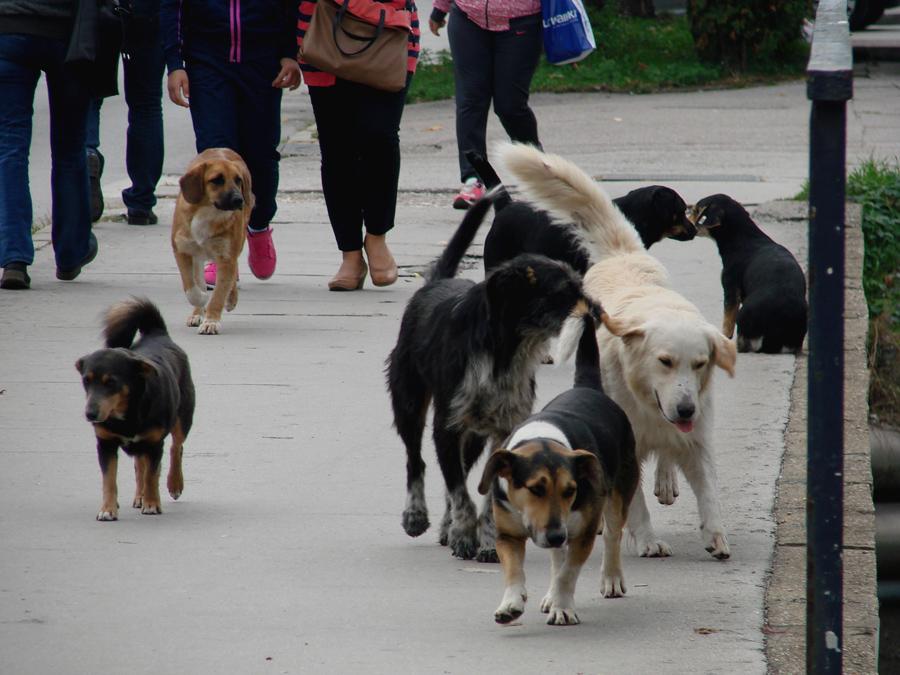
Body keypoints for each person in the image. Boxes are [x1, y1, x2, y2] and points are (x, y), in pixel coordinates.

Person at [160, 0, 301, 285]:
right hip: (207, 61)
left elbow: (292, 6)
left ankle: (258, 225)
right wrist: (175, 63)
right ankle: (219, 253)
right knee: (216, 156)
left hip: (263, 63)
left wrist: (290, 53)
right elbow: (170, 8)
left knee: (260, 156)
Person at [297, 0, 420, 291]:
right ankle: (350, 254)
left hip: (387, 32)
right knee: (337, 149)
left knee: (380, 136)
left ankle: (377, 236)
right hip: (325, 31)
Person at [0, 0, 112, 290]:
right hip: (71, 32)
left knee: (11, 147)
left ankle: (14, 257)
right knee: (69, 147)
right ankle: (71, 252)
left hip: (9, 27)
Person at [429, 0, 543, 209]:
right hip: (468, 16)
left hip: (521, 20)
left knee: (510, 106)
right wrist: (440, 8)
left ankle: (540, 177)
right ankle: (474, 179)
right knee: (470, 101)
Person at [85, 0, 166, 226]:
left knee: (91, 92)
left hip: (100, 8)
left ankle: (88, 153)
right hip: (148, 11)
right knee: (146, 103)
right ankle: (141, 201)